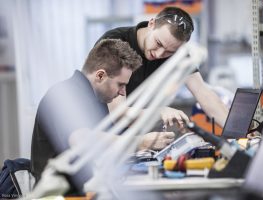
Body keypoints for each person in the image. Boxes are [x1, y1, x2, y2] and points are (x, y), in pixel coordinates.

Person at [30, 39, 175, 186]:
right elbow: (82, 141)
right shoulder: (63, 95)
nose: (122, 92)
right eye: (121, 84)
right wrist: (140, 142)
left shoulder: (97, 99)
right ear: (100, 76)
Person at [96, 6, 229, 128]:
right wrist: (160, 111)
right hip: (96, 130)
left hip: (131, 133)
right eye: (158, 43)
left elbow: (203, 93)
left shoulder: (177, 53)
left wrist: (239, 133)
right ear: (152, 24)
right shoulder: (116, 43)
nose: (159, 54)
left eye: (169, 51)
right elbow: (118, 114)